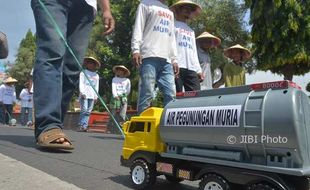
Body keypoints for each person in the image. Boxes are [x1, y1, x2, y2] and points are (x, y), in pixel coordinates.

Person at [31, 0, 115, 150]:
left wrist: (106, 9)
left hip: (85, 6)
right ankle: (48, 125)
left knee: (72, 67)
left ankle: (56, 124)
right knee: (52, 53)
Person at [131, 0, 179, 114]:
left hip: (166, 59)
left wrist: (174, 59)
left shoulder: (170, 12)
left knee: (171, 93)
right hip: (149, 55)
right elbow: (138, 27)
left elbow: (171, 38)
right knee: (147, 91)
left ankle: (168, 124)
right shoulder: (145, 4)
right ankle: (141, 123)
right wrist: (136, 49)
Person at [170, 0, 202, 92]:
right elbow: (169, 45)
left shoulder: (191, 31)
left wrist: (198, 70)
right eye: (184, 7)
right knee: (177, 95)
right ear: (177, 9)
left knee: (196, 95)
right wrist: (173, 61)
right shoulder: (172, 26)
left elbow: (194, 51)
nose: (187, 10)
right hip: (177, 65)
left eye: (189, 8)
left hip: (191, 67)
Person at [78, 57, 100, 132]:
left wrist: (96, 96)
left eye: (92, 63)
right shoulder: (83, 73)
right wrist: (82, 92)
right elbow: (81, 83)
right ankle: (82, 125)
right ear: (86, 64)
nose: (90, 65)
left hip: (92, 94)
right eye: (89, 63)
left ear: (94, 65)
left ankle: (85, 125)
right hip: (84, 94)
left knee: (89, 111)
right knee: (84, 109)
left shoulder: (96, 75)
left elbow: (96, 86)